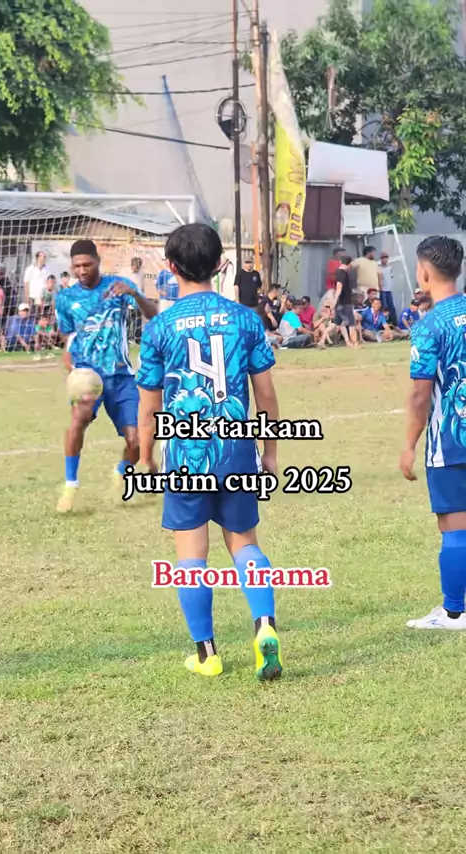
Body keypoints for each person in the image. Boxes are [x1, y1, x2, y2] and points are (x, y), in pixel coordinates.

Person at [137, 223, 282, 681]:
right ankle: (264, 626)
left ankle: (206, 654)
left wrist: (145, 457)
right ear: (221, 265)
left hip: (186, 454)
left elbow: (149, 406)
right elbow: (266, 395)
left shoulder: (159, 327)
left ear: (170, 267)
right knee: (245, 544)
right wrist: (270, 451)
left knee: (191, 557)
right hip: (236, 449)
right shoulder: (245, 319)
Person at [54, 239, 157, 514]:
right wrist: (70, 361)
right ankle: (71, 485)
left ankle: (121, 471)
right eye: (77, 266)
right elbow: (67, 335)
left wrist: (134, 294)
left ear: (98, 262)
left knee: (136, 440)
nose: (82, 270)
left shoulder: (119, 286)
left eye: (87, 264)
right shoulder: (65, 298)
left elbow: (153, 314)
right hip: (88, 375)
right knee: (78, 421)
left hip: (121, 376)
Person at [400, 235, 466, 630]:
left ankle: (455, 612)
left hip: (451, 440)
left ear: (424, 272)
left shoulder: (429, 327)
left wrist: (408, 444)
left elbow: (421, 395)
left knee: (454, 525)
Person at [333, 255, 358, 348]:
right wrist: (335, 301)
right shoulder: (341, 273)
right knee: (351, 324)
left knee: (339, 324)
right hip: (344, 303)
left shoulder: (342, 273)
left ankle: (322, 340)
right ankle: (355, 343)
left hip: (342, 302)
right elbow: (339, 287)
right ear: (350, 263)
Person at [378, 251, 398, 326]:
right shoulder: (379, 268)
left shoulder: (390, 267)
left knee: (391, 307)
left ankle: (394, 323)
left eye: (386, 257)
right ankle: (383, 323)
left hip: (389, 290)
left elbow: (391, 277)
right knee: (383, 307)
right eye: (383, 257)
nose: (385, 259)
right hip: (382, 290)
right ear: (381, 259)